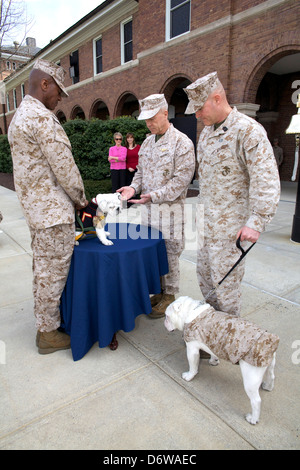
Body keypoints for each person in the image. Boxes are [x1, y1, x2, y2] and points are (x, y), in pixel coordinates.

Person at [8, 59, 88, 354]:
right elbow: (65, 167)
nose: (59, 99)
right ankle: (48, 333)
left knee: (43, 270)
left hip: (36, 211)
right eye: (58, 92)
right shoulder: (41, 118)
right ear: (44, 84)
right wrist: (81, 199)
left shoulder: (20, 117)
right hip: (52, 213)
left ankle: (46, 325)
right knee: (52, 274)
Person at [184, 72, 280, 316]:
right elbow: (206, 179)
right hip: (207, 226)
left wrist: (256, 222)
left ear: (217, 98)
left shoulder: (248, 131)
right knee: (206, 282)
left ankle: (229, 343)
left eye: (200, 109)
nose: (196, 115)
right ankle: (212, 336)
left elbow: (265, 178)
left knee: (226, 289)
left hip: (231, 230)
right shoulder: (206, 133)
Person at [118, 94, 195, 318]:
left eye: (152, 118)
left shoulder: (182, 143)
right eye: (145, 120)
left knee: (170, 255)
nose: (149, 123)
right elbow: (140, 173)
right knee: (152, 253)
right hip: (149, 213)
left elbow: (180, 183)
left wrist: (151, 195)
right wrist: (133, 188)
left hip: (170, 214)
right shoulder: (148, 142)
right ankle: (159, 291)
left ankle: (170, 296)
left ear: (165, 113)